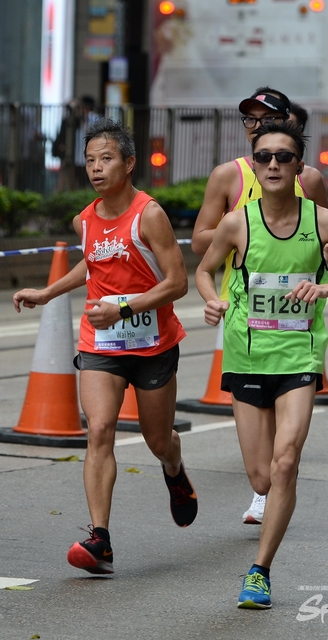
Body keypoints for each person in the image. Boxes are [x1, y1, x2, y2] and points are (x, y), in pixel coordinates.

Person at [195, 120, 328, 609]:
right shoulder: (237, 223)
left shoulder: (325, 222)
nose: (274, 164)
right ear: (255, 165)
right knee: (261, 477)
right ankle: (264, 518)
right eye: (264, 157)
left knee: (285, 463)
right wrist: (212, 300)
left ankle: (259, 572)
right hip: (246, 355)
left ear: (300, 166)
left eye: (284, 156)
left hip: (300, 355)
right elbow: (203, 269)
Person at [13, 118, 198, 575]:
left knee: (158, 439)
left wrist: (125, 309)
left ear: (129, 163)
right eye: (90, 160)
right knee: (98, 430)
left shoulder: (148, 214)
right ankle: (101, 540)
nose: (96, 168)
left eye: (107, 158)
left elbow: (178, 282)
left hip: (153, 343)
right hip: (102, 341)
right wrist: (48, 292)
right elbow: (93, 264)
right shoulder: (85, 219)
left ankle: (174, 468)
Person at [191, 86, 328, 526]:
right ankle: (265, 485)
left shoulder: (308, 179)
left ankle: (271, 489)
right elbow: (199, 242)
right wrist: (245, 226)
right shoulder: (227, 176)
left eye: (265, 118)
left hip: (295, 318)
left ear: (289, 124)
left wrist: (319, 263)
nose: (255, 125)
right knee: (259, 424)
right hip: (241, 311)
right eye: (249, 119)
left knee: (283, 433)